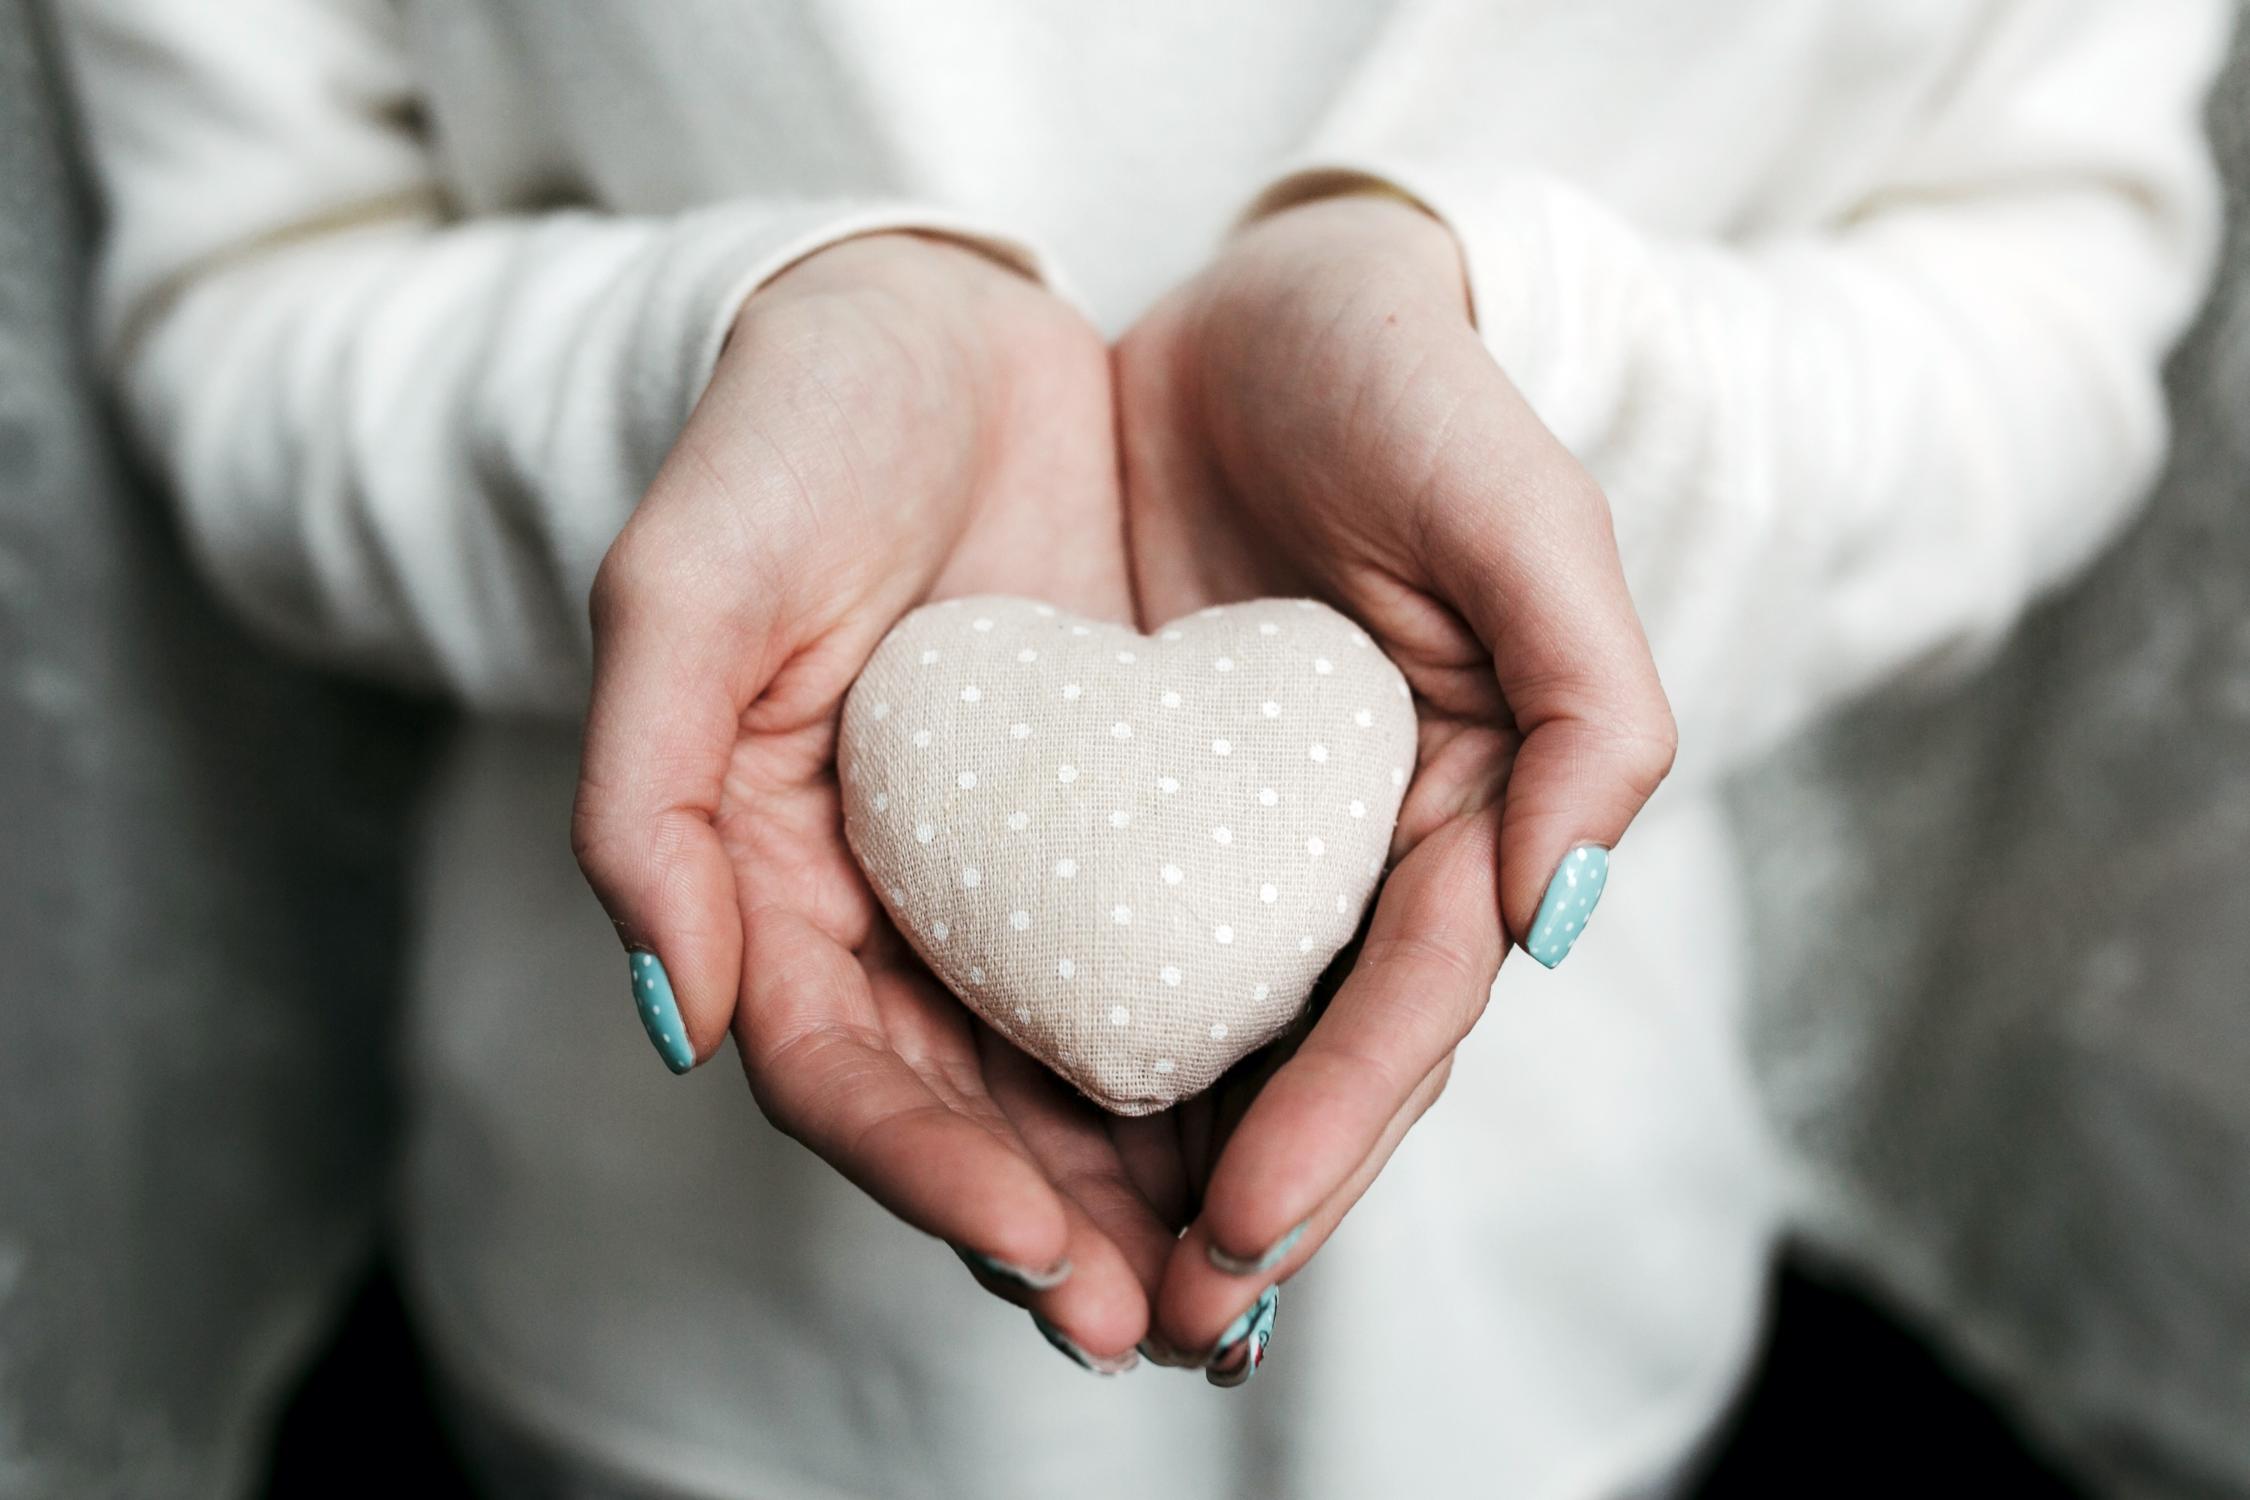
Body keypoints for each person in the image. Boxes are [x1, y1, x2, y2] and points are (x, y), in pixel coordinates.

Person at [56, 2, 2224, 1497]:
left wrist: (1533, 390)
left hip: (1545, 1324)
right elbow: (246, 277)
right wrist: (702, 392)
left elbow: (2047, 265)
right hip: (678, 1340)